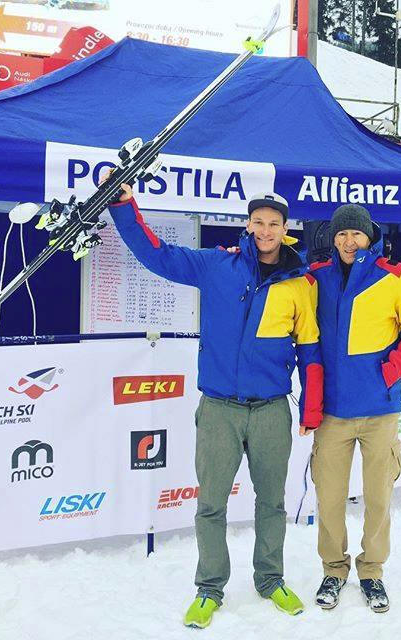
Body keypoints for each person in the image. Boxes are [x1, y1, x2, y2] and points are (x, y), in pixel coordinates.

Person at [107, 183, 323, 628]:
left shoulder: (300, 283)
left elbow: (310, 349)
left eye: (274, 224)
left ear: (286, 229)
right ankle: (209, 588)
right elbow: (159, 256)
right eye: (258, 222)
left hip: (270, 409)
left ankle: (271, 579)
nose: (266, 230)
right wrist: (125, 206)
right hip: (220, 409)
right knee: (210, 505)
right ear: (248, 224)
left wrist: (311, 407)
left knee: (272, 503)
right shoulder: (218, 265)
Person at [308, 204, 401, 613]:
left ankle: (372, 571)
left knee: (378, 498)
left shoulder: (394, 276)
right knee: (329, 498)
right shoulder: (316, 276)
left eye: (355, 234)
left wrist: (387, 373)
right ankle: (333, 568)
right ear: (333, 238)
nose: (348, 241)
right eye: (342, 234)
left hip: (380, 410)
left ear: (368, 237)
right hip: (333, 412)